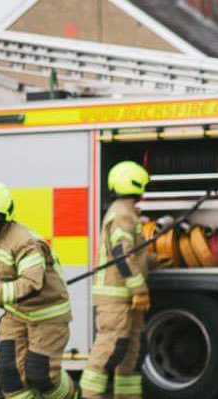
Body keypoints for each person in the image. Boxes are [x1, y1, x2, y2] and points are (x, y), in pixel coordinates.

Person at [0, 179, 76, 399]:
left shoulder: (25, 242)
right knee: (9, 373)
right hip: (17, 314)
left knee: (42, 376)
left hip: (47, 315)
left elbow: (31, 284)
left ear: (3, 214)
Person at [79, 161, 152, 399]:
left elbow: (131, 253)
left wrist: (154, 260)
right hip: (117, 299)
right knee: (110, 350)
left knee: (130, 356)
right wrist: (139, 289)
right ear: (137, 184)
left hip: (126, 299)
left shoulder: (126, 212)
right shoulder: (122, 214)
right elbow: (121, 254)